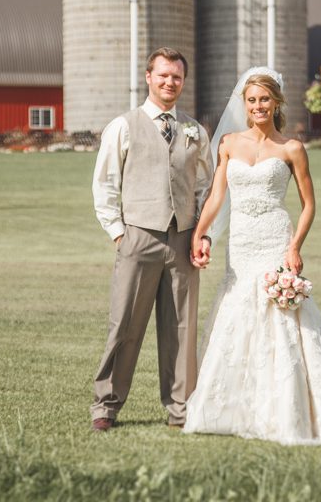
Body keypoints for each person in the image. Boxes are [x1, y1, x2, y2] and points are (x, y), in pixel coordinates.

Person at [183, 67, 321, 448]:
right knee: (238, 315)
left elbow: (309, 205)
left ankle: (287, 411)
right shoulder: (230, 143)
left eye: (264, 99)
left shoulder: (291, 149)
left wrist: (294, 246)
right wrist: (201, 231)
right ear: (244, 104)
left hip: (274, 239)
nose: (258, 106)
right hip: (241, 243)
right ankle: (233, 410)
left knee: (281, 321)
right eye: (251, 100)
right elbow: (218, 196)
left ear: (276, 102)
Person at [89, 47, 213, 431]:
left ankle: (181, 410)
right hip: (138, 238)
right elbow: (106, 184)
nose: (169, 82)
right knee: (124, 325)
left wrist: (200, 233)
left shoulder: (195, 130)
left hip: (183, 241)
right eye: (162, 75)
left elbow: (206, 188)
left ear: (183, 81)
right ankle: (105, 408)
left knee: (181, 330)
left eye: (176, 77)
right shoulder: (123, 126)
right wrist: (120, 235)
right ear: (148, 77)